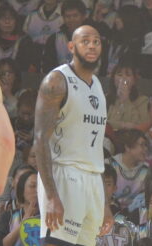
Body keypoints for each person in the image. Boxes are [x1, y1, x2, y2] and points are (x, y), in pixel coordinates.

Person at [34, 24, 112, 245]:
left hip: (93, 180)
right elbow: (40, 138)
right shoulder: (57, 81)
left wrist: (105, 203)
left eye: (96, 42)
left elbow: (95, 149)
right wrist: (51, 196)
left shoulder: (98, 85)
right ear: (71, 47)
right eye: (85, 41)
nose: (92, 46)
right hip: (65, 175)